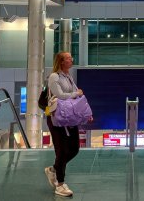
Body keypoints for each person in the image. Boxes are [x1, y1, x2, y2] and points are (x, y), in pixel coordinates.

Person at [44, 52, 87, 197]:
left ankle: (53, 169)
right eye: (68, 58)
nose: (71, 59)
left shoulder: (68, 76)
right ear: (61, 62)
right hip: (56, 118)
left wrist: (85, 113)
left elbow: (76, 96)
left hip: (69, 117)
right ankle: (60, 184)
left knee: (74, 149)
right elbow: (60, 96)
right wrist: (76, 93)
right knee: (61, 151)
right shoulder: (54, 77)